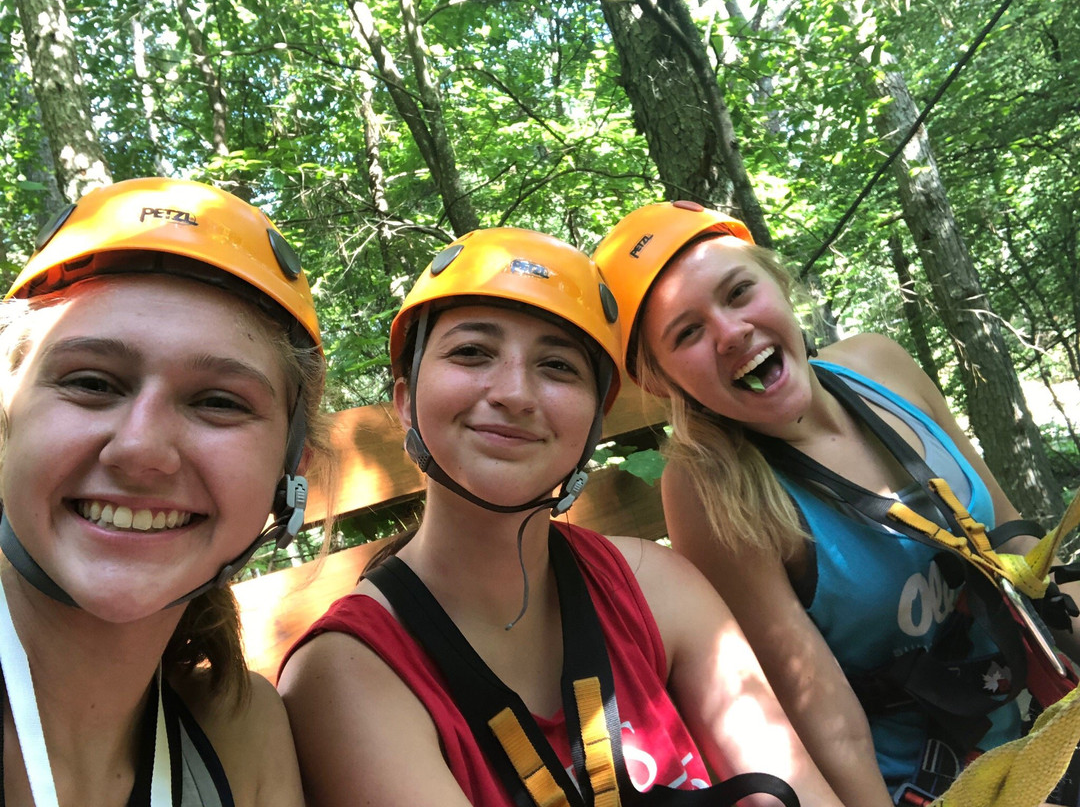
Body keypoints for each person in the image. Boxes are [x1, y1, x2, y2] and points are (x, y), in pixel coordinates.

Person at [278, 227, 845, 807]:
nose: (516, 393)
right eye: (472, 352)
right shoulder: (351, 675)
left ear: (594, 423)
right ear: (404, 399)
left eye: (557, 366)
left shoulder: (658, 587)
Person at [592, 199, 1080, 807]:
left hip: (1049, 704)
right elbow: (822, 716)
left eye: (739, 291)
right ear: (662, 381)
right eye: (687, 333)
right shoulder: (712, 488)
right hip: (935, 783)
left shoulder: (880, 365)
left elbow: (1012, 538)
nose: (731, 332)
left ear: (779, 282)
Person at [0, 177, 330, 806]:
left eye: (218, 402)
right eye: (92, 383)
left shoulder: (241, 731)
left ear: (291, 471)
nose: (141, 450)